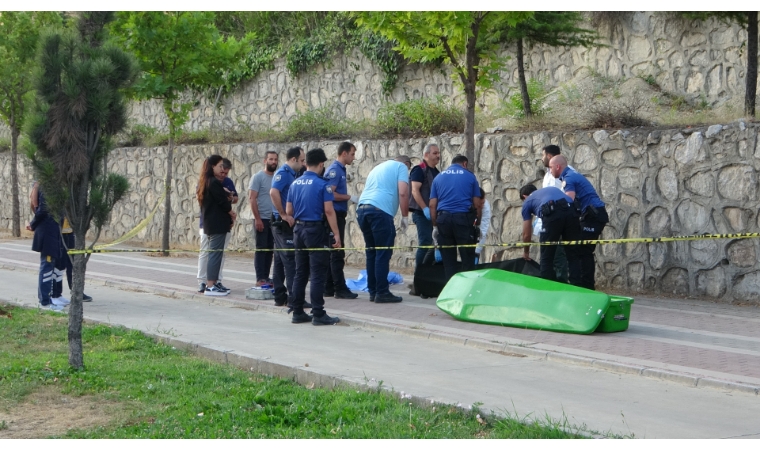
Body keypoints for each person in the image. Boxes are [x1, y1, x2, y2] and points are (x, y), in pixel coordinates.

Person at [287, 148, 342, 325]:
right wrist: (336, 234)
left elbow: (289, 211)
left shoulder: (294, 183)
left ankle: (297, 312)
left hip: (299, 230)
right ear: (320, 164)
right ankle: (318, 313)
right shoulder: (322, 184)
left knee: (300, 272)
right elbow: (328, 210)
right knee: (318, 273)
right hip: (316, 230)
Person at [550, 155, 609, 290]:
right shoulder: (571, 175)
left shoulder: (569, 178)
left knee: (583, 250)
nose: (550, 171)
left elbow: (569, 200)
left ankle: (586, 287)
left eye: (551, 168)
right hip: (591, 215)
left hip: (593, 216)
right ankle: (584, 286)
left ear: (558, 166)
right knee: (582, 250)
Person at [357, 155, 411, 304]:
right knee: (382, 252)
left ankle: (373, 291)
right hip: (380, 211)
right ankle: (382, 292)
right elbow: (403, 192)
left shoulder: (378, 167)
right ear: (406, 164)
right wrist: (405, 216)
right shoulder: (401, 167)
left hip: (362, 209)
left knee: (372, 252)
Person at [429, 155, 480, 283]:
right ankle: (467, 291)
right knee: (467, 259)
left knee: (448, 261)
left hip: (443, 220)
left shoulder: (438, 177)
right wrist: (476, 223)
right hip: (463, 220)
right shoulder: (470, 176)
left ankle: (449, 293)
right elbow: (477, 203)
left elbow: (432, 205)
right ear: (465, 163)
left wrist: (435, 226)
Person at [520, 184, 581, 284]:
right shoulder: (549, 190)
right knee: (573, 255)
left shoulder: (527, 202)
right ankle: (578, 288)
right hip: (572, 211)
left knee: (546, 258)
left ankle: (547, 290)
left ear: (524, 197)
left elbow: (526, 234)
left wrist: (526, 252)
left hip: (553, 213)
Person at [270, 147, 305, 307]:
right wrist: (283, 214)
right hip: (283, 223)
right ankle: (294, 299)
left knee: (279, 260)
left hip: (286, 222)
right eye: (302, 160)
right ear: (293, 159)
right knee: (291, 260)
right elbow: (273, 192)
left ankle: (280, 296)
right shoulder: (283, 173)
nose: (303, 163)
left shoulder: (293, 174)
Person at [323, 142, 359, 299]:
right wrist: (350, 197)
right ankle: (339, 288)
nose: (354, 157)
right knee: (337, 252)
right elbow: (330, 193)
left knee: (334, 251)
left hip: (338, 214)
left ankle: (329, 287)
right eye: (352, 154)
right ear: (344, 153)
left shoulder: (340, 170)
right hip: (334, 216)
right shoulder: (334, 171)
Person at [196, 158, 238, 293]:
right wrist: (231, 212)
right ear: (212, 166)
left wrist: (228, 196)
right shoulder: (213, 182)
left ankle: (214, 282)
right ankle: (209, 285)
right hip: (216, 224)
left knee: (217, 254)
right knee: (213, 254)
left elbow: (231, 198)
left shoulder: (207, 181)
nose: (222, 170)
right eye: (220, 166)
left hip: (213, 223)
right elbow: (222, 201)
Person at [537, 145, 575, 283]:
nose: (541, 159)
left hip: (560, 219)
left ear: (548, 156)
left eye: (542, 155)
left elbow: (568, 197)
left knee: (559, 255)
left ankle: (561, 283)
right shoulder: (548, 174)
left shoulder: (565, 173)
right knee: (549, 256)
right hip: (549, 220)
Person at [27, 182, 66, 311]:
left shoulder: (54, 185)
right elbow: (43, 209)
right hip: (47, 233)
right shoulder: (48, 185)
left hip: (52, 231)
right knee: (47, 267)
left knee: (51, 265)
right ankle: (45, 302)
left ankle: (50, 298)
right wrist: (33, 224)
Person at [408, 143, 440, 296]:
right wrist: (424, 208)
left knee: (431, 245)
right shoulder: (419, 169)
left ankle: (425, 278)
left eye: (438, 153)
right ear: (426, 154)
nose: (438, 156)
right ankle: (417, 279)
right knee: (425, 244)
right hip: (422, 214)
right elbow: (415, 190)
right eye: (435, 153)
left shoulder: (435, 172)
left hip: (433, 214)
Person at [249, 151, 278, 286]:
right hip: (262, 219)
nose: (273, 162)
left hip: (274, 219)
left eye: (275, 160)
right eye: (271, 159)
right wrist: (258, 219)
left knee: (269, 249)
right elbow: (252, 198)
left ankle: (266, 277)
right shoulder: (257, 177)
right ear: (264, 161)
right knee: (261, 249)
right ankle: (260, 278)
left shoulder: (277, 177)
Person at [474, 188, 491, 264]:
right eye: (480, 203)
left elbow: (483, 228)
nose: (482, 205)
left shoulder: (485, 206)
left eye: (483, 202)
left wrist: (477, 251)